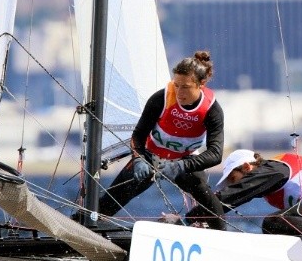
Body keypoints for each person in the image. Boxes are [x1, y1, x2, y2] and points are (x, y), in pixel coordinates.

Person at [92, 50, 226, 229]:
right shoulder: (160, 99)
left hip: (184, 162)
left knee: (214, 213)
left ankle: (219, 236)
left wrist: (181, 166)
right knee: (104, 206)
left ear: (201, 84)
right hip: (150, 157)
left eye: (185, 87)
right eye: (176, 85)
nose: (179, 92)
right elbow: (137, 137)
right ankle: (78, 229)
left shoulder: (212, 110)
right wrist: (138, 160)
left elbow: (215, 154)